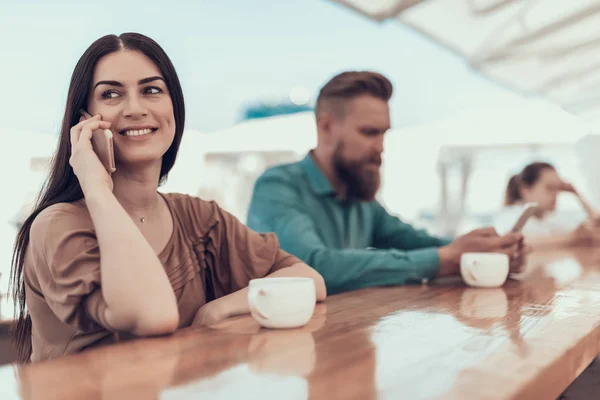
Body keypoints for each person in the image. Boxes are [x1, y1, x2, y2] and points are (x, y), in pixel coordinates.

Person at [9, 33, 326, 363]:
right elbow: (152, 314)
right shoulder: (57, 225)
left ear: (173, 105)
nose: (135, 109)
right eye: (111, 94)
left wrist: (219, 310)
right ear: (84, 121)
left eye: (151, 90)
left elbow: (309, 281)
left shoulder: (196, 217)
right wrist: (96, 188)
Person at [247, 71, 524, 295]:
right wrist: (447, 258)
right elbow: (310, 268)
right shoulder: (278, 187)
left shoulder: (359, 199)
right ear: (326, 126)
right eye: (369, 132)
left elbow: (421, 243)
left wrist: (487, 252)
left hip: (346, 340)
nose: (380, 146)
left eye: (384, 133)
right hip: (283, 354)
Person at [496, 162, 600, 249]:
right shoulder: (511, 215)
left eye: (558, 188)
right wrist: (572, 238)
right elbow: (515, 244)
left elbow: (596, 224)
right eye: (549, 188)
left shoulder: (550, 218)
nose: (556, 195)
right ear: (525, 190)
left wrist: (576, 193)